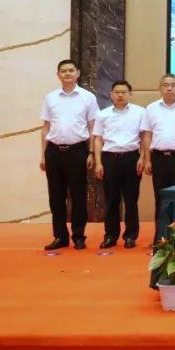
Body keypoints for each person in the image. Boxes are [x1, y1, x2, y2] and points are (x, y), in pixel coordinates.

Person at [39, 59, 99, 250]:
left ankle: (79, 236)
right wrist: (43, 155)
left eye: (71, 70)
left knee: (78, 196)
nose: (67, 74)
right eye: (63, 71)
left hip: (78, 151)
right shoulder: (50, 98)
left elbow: (93, 127)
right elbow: (45, 127)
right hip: (54, 152)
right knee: (55, 196)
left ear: (78, 73)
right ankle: (60, 236)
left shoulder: (88, 97)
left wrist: (91, 153)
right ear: (58, 75)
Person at [91, 80, 145, 249]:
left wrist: (143, 158)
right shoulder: (103, 114)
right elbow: (98, 139)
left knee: (131, 200)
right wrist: (98, 163)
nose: (120, 95)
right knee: (111, 200)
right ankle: (110, 235)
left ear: (130, 94)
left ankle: (130, 235)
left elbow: (144, 137)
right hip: (110, 159)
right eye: (117, 92)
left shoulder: (140, 112)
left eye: (124, 92)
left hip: (131, 158)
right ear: (111, 95)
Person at [140, 73, 175, 219]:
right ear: (160, 88)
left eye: (173, 85)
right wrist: (147, 160)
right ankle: (161, 232)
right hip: (158, 158)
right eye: (166, 85)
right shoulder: (151, 108)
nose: (169, 88)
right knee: (161, 197)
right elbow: (147, 135)